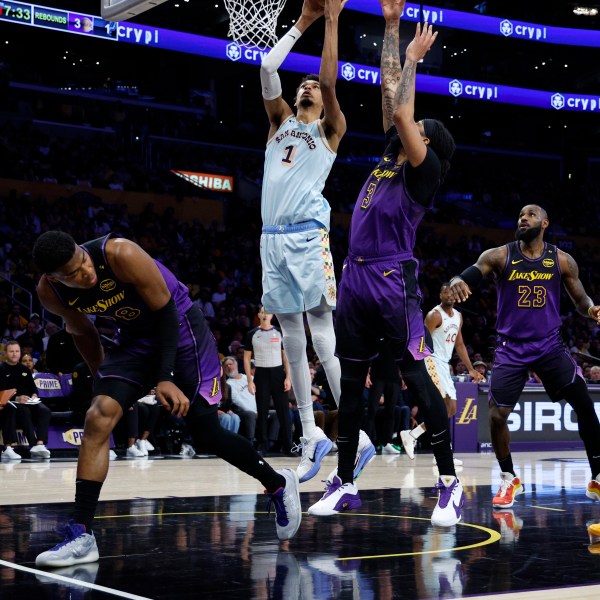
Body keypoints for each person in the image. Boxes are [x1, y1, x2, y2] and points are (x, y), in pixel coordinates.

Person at [31, 231, 301, 569]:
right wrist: (106, 381)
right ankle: (81, 534)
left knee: (205, 432)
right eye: (71, 275)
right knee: (98, 415)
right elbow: (84, 332)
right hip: (134, 342)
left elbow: (167, 312)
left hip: (184, 332)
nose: (85, 274)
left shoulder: (120, 253)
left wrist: (166, 377)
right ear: (54, 278)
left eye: (82, 262)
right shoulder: (50, 292)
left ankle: (277, 483)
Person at [308, 0, 464, 527]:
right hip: (355, 275)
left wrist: (417, 56)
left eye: (419, 125)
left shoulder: (424, 170)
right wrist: (392, 26)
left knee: (416, 378)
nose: (407, 123)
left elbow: (401, 109)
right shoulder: (388, 159)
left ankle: (448, 480)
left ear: (427, 143)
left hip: (392, 278)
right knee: (351, 386)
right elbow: (389, 97)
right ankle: (346, 481)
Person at [259, 0, 374, 483]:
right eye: (302, 84)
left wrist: (330, 19)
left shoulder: (329, 129)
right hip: (270, 241)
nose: (307, 86)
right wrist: (301, 22)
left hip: (307, 238)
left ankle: (358, 434)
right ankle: (311, 433)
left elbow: (328, 82)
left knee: (322, 337)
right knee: (290, 338)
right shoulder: (279, 122)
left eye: (313, 87)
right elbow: (267, 66)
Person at [448, 204, 600, 508]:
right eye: (520, 215)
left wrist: (592, 309)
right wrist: (458, 282)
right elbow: (471, 274)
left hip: (549, 345)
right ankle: (509, 478)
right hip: (510, 348)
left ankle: (597, 477)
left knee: (584, 403)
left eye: (530, 214)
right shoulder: (500, 255)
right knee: (496, 416)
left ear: (544, 222)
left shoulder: (561, 260)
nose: (523, 218)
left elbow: (580, 299)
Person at [400, 282, 485, 463]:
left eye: (452, 293)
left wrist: (470, 369)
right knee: (442, 407)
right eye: (446, 293)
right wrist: (413, 369)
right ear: (440, 296)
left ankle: (413, 435)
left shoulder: (458, 316)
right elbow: (420, 341)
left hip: (444, 364)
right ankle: (443, 452)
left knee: (451, 409)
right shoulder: (434, 315)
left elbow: (460, 344)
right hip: (431, 360)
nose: (450, 296)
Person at [243, 305, 293, 455]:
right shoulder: (252, 334)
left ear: (272, 315)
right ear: (259, 315)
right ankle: (263, 445)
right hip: (261, 374)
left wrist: (288, 377)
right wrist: (249, 381)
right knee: (262, 411)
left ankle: (288, 446)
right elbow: (246, 359)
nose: (265, 315)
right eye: (262, 312)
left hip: (278, 373)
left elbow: (286, 357)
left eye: (268, 312)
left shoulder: (279, 332)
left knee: (283, 411)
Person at [0, 340, 52, 458]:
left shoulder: (24, 369)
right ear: (5, 353)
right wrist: (16, 398)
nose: (14, 354)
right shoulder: (1, 369)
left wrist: (34, 394)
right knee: (23, 411)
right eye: (11, 351)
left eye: (17, 351)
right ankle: (14, 447)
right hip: (11, 402)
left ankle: (40, 444)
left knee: (44, 410)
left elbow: (33, 388)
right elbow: (1, 392)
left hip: (28, 401)